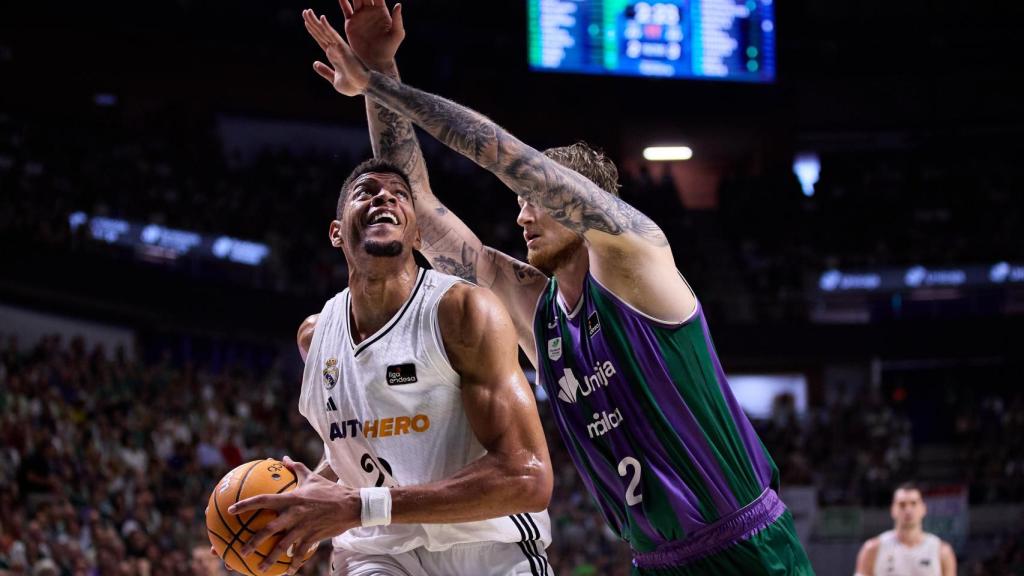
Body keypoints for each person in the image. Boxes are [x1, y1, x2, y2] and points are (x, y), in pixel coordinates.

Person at [301, 3, 813, 574]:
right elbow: (422, 210)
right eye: (520, 204)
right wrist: (380, 69)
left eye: (536, 199)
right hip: (655, 558)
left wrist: (376, 85)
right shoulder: (536, 313)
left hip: (745, 546)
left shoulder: (638, 259)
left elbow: (504, 155)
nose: (522, 216)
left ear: (581, 201)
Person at [227, 158, 555, 576]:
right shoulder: (315, 337)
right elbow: (366, 449)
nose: (384, 196)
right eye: (366, 192)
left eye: (400, 195)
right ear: (336, 232)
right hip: (376, 551)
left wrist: (356, 506)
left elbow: (526, 479)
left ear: (417, 234)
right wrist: (311, 492)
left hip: (486, 548)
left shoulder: (462, 312)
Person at [855, 483, 956, 576]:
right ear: (892, 509)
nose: (908, 510)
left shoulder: (942, 551)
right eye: (902, 504)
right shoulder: (873, 549)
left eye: (913, 503)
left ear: (923, 508)